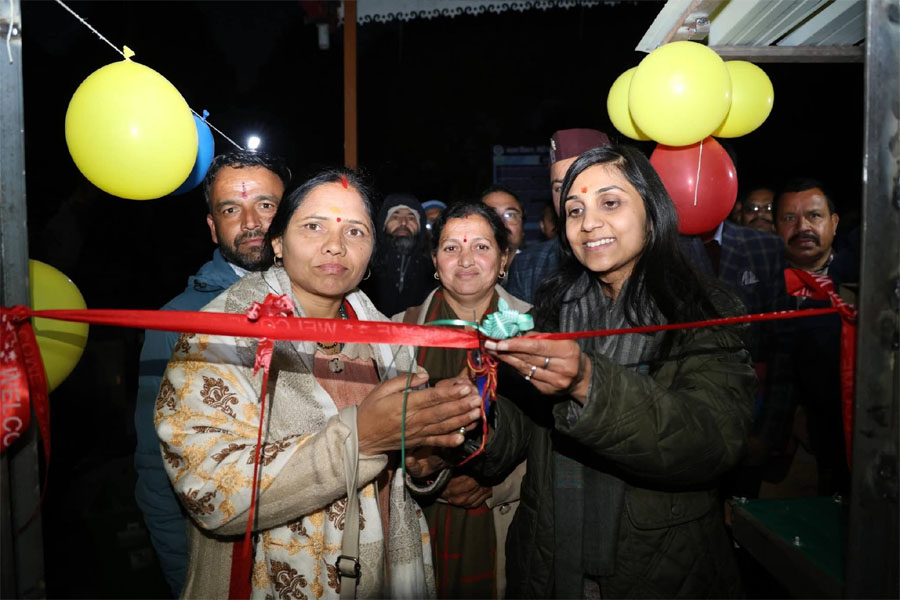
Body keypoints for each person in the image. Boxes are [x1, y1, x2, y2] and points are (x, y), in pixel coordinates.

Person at [155, 168, 485, 598]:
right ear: (277, 242)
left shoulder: (387, 337)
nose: (335, 245)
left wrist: (427, 453)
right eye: (314, 226)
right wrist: (360, 439)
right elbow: (210, 491)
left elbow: (403, 472)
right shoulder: (221, 334)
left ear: (372, 250)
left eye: (355, 231)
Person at [477, 145, 756, 598]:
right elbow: (526, 429)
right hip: (550, 558)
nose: (588, 223)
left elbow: (713, 441)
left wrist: (588, 383)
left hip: (661, 565)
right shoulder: (550, 312)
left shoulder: (704, 310)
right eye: (574, 210)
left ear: (652, 213)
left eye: (610, 203)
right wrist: (473, 419)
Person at [134, 150, 290, 596]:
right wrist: (188, 581)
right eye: (230, 209)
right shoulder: (177, 323)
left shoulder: (326, 305)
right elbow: (155, 471)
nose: (251, 222)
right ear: (212, 226)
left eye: (265, 205)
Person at [394, 202, 529, 599]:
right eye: (451, 248)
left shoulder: (535, 329)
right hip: (418, 519)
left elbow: (553, 440)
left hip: (505, 520)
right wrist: (424, 476)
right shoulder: (397, 330)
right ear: (435, 262)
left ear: (503, 260)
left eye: (481, 247)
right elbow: (377, 437)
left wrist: (497, 484)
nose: (466, 260)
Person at [772, 177, 851, 495]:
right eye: (789, 218)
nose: (802, 227)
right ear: (775, 227)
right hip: (777, 455)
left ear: (834, 223)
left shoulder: (863, 285)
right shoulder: (760, 285)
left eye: (814, 216)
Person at [505, 128, 610, 303]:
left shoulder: (647, 260)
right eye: (560, 188)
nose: (570, 195)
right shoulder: (528, 266)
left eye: (581, 181)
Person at [361, 193, 435, 316]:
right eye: (395, 217)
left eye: (411, 218)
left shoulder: (432, 268)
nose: (403, 223)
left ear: (420, 227)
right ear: (383, 225)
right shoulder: (367, 264)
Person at [481, 185, 526, 266]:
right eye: (492, 214)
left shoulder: (539, 269)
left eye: (510, 215)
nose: (501, 223)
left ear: (522, 230)